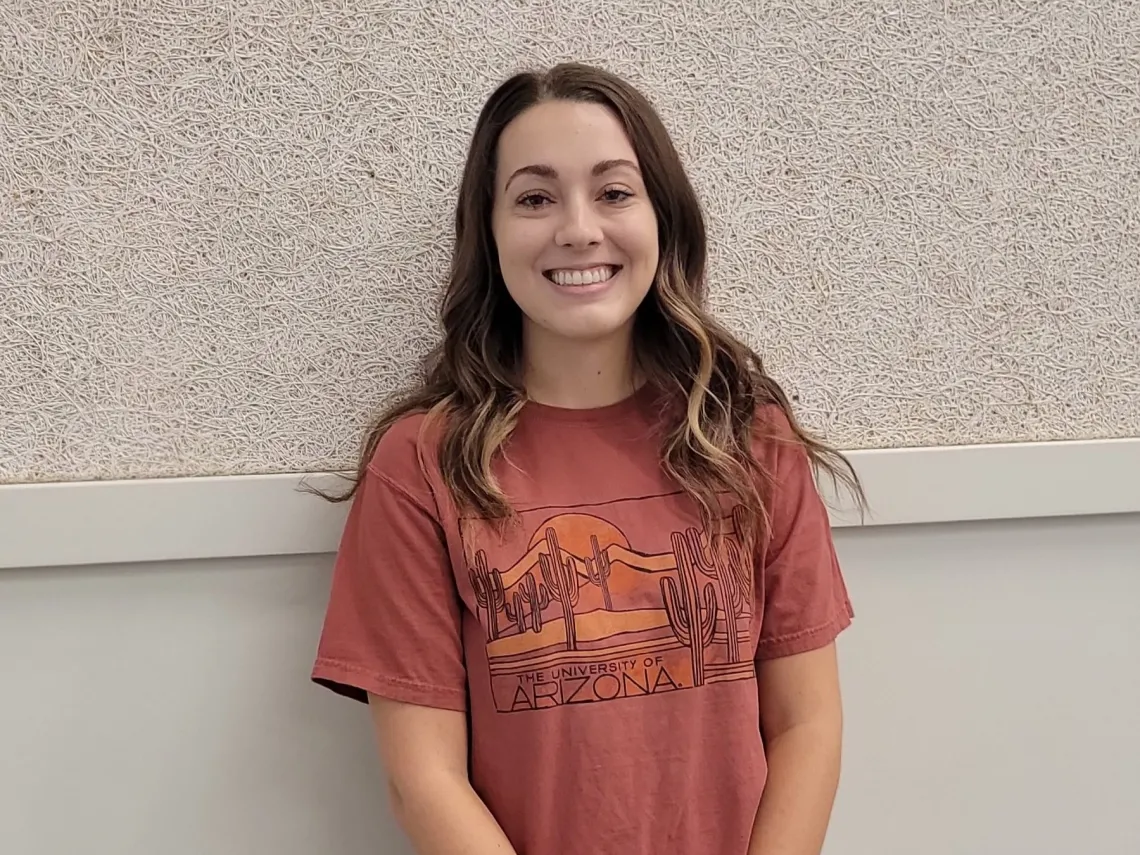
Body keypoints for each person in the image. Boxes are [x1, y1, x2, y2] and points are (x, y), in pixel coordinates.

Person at [310, 61, 863, 855]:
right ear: (489, 231)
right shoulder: (423, 465)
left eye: (613, 192)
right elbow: (422, 778)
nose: (577, 228)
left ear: (662, 217)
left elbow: (808, 723)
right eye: (535, 197)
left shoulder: (748, 438)